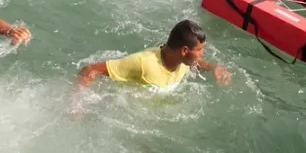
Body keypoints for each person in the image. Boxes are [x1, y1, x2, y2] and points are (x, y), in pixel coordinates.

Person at [75, 20, 230, 92]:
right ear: (184, 51)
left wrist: (214, 67)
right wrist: (76, 102)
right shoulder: (143, 63)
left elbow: (198, 62)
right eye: (200, 49)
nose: (202, 53)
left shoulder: (183, 61)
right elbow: (89, 70)